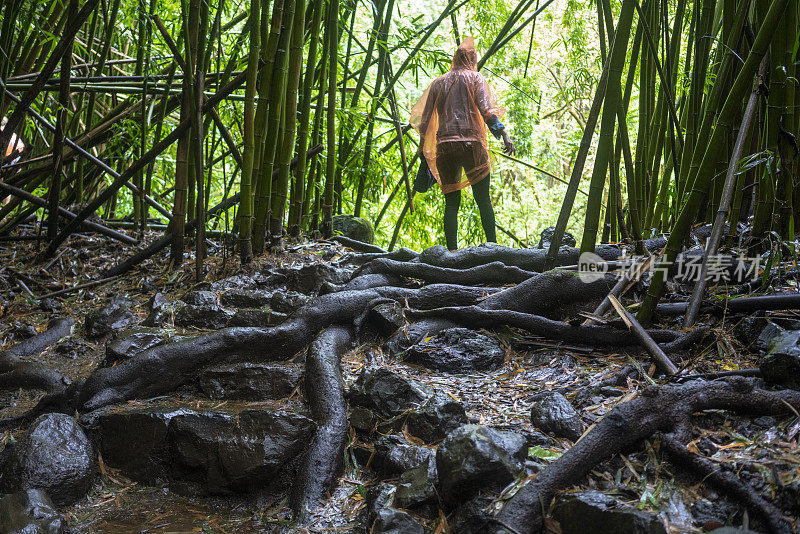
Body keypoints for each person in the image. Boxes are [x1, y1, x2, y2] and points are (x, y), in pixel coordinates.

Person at [410, 37, 515, 251]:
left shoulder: (438, 83)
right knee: (483, 199)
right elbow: (487, 110)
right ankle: (493, 248)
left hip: (445, 147)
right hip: (472, 145)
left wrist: (423, 149)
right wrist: (504, 134)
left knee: (451, 203)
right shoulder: (476, 79)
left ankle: (451, 251)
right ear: (472, 59)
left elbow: (425, 120)